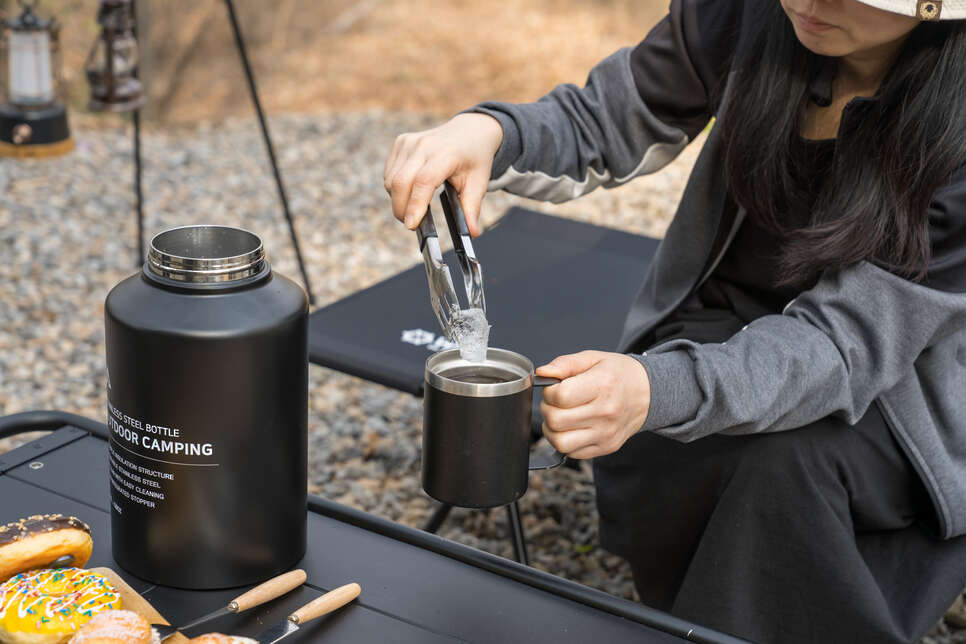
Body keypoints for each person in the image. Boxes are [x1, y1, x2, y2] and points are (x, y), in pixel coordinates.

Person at [383, 0, 966, 641]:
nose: (801, 1)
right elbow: (607, 120)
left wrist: (659, 390)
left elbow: (842, 344)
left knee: (779, 463)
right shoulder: (748, 14)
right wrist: (492, 134)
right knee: (669, 425)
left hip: (899, 381)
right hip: (723, 323)